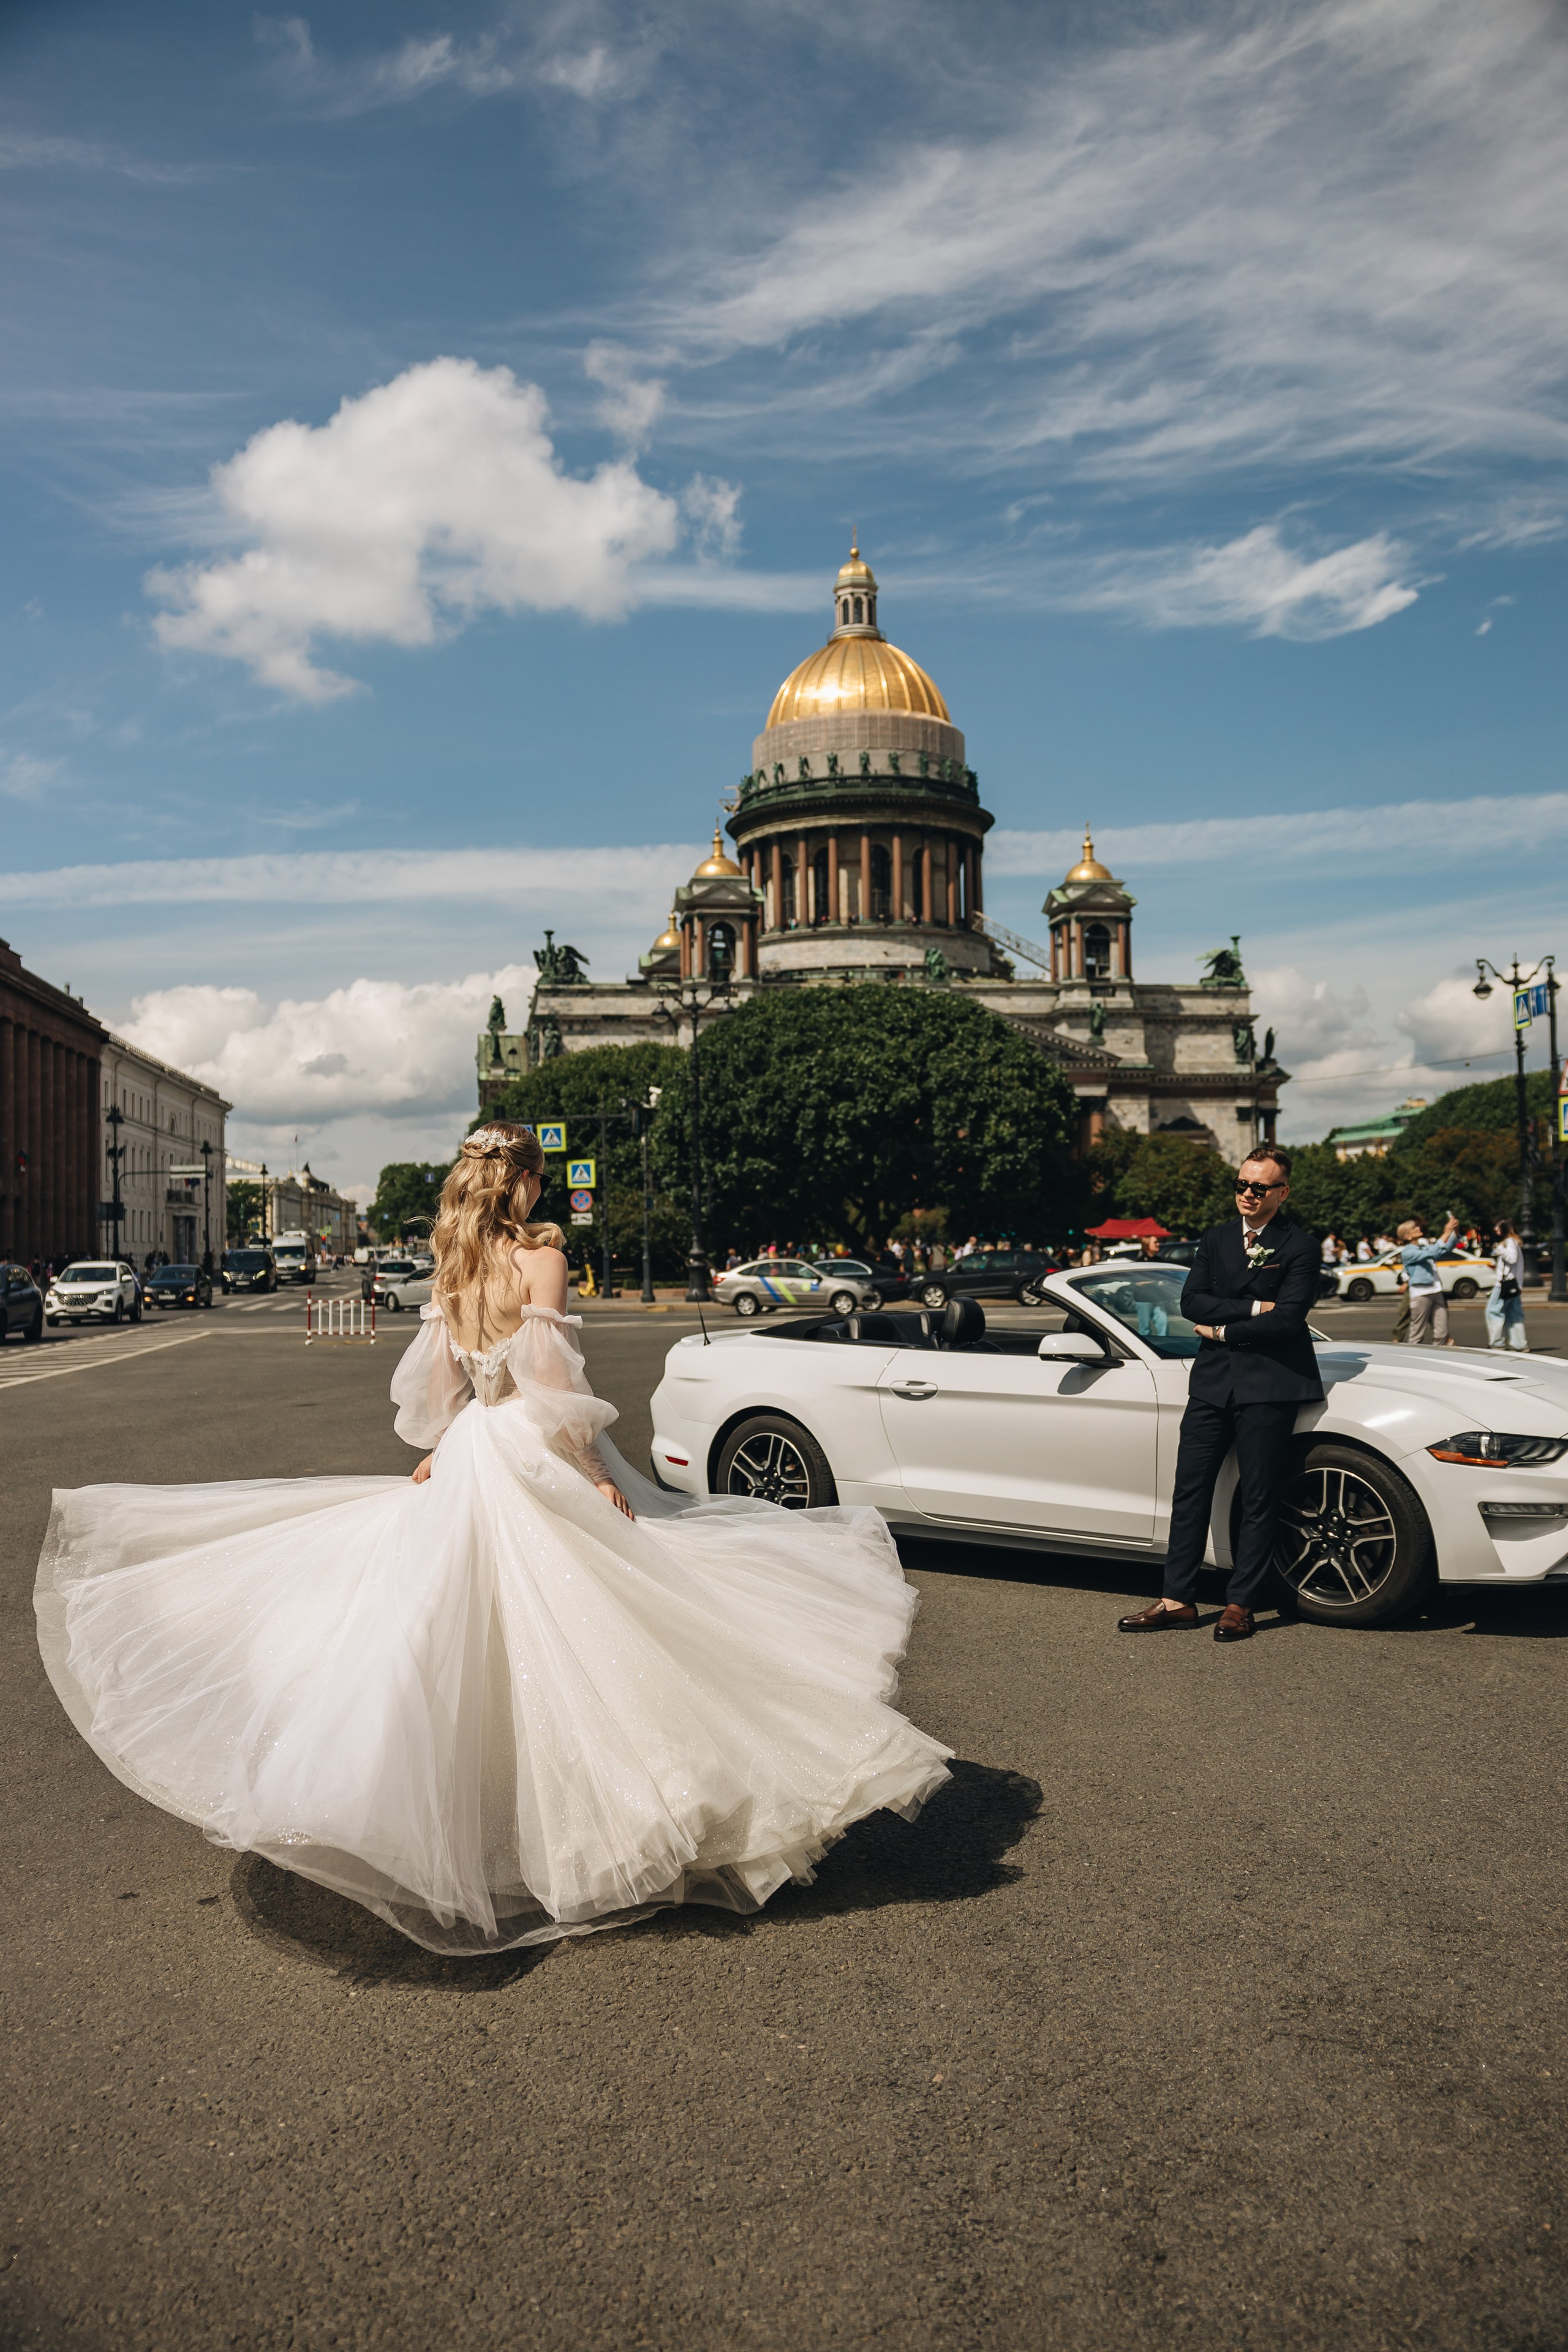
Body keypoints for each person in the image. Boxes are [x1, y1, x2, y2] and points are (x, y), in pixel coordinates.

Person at [35, 1124, 949, 1954]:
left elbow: (436, 1393)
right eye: (542, 1182)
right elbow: (552, 1390)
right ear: (522, 1184)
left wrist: (440, 1452)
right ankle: (619, 1822)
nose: (547, 1197)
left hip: (475, 1445)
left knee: (450, 1629)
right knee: (600, 1620)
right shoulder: (538, 1263)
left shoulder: (453, 1271)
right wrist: (595, 1471)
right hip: (527, 1449)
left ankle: (467, 1823)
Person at [1118, 1147, 1322, 1645]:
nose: (1247, 1195)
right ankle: (1177, 1600)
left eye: (1259, 1187)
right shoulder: (1216, 1238)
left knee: (1258, 1496)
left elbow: (1289, 1319)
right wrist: (1254, 1305)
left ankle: (1241, 1604)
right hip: (1212, 1384)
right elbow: (1191, 1302)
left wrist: (1225, 1330)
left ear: (1282, 1193)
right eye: (1241, 1185)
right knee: (1190, 1490)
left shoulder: (1301, 1245)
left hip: (1269, 1385)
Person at [1396, 1212, 1458, 1346]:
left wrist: (1455, 1232)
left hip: (1436, 1291)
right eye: (1414, 1229)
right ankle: (1412, 1361)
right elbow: (1433, 1252)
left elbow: (1445, 1249)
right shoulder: (1408, 1252)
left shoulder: (1423, 1247)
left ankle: (1438, 1360)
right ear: (1407, 1236)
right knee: (1417, 1334)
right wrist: (1446, 1233)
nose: (1418, 1229)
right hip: (1421, 1293)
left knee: (1442, 1333)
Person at [1487, 1218, 1528, 1352]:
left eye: (1499, 1227)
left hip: (1505, 1285)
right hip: (1514, 1285)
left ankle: (1497, 1343)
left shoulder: (1509, 1241)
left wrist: (1500, 1250)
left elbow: (1512, 1258)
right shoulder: (1515, 1241)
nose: (1496, 1229)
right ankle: (1520, 1344)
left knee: (1493, 1311)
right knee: (1514, 1314)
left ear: (1505, 1228)